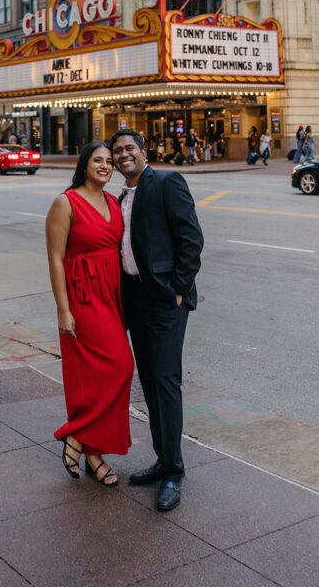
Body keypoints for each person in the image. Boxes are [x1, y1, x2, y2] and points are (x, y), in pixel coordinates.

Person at [110, 129, 203, 513]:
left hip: (165, 302)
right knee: (148, 383)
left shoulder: (166, 181)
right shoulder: (119, 197)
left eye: (129, 148)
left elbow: (191, 239)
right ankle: (161, 459)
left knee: (165, 383)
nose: (123, 155)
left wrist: (178, 290)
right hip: (135, 302)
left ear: (143, 151)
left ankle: (173, 473)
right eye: (117, 151)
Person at [45, 141, 134, 487]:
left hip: (110, 296)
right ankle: (77, 435)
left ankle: (90, 451)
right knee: (119, 366)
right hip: (83, 298)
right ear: (84, 165)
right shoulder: (65, 203)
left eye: (109, 162)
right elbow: (55, 259)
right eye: (98, 160)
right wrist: (63, 310)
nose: (106, 166)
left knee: (109, 373)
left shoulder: (113, 201)